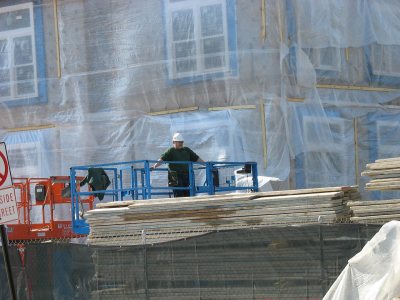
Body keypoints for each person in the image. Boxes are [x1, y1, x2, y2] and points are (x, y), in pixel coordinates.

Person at [151, 133, 204, 197]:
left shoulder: (187, 150)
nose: (181, 143)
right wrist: (155, 166)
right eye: (179, 142)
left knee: (189, 194)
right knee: (178, 195)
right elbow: (162, 159)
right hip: (175, 176)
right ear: (174, 142)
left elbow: (197, 158)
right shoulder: (171, 151)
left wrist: (206, 164)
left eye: (181, 142)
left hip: (187, 175)